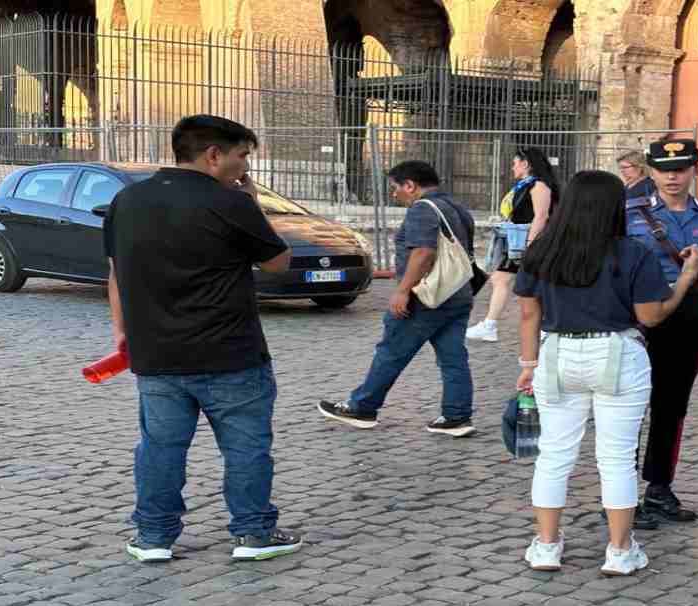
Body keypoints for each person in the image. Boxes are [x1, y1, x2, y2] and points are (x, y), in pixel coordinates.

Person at [105, 114, 301, 563]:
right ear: (214, 155)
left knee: (159, 448)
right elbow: (278, 264)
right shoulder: (231, 203)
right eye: (242, 156)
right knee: (247, 447)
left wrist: (122, 331)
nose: (245, 166)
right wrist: (253, 205)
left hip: (157, 354)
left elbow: (115, 272)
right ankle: (253, 534)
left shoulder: (127, 200)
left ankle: (153, 537)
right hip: (231, 355)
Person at [515, 171, 698, 575]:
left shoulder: (541, 250)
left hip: (556, 351)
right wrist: (686, 279)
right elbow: (651, 316)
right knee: (616, 458)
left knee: (553, 456)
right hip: (617, 350)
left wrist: (527, 365)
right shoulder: (632, 253)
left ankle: (547, 545)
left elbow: (529, 313)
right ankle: (620, 551)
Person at [624, 139, 698, 529]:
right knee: (629, 404)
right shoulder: (628, 213)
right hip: (641, 313)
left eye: (682, 168)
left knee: (673, 404)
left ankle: (659, 488)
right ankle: (622, 494)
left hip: (690, 313)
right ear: (651, 172)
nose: (672, 176)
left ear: (696, 171)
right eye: (663, 169)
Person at [318, 161, 477, 437]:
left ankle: (362, 407)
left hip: (426, 297)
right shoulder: (456, 207)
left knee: (391, 351)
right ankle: (456, 416)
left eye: (395, 188)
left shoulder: (421, 209)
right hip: (458, 294)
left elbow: (423, 253)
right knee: (453, 357)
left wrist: (403, 290)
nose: (394, 195)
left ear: (410, 185)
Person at [467, 147, 560, 343]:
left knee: (535, 283)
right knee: (502, 279)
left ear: (525, 164)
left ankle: (546, 325)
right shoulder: (524, 185)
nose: (512, 167)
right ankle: (491, 325)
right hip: (517, 242)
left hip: (528, 242)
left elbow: (541, 216)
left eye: (515, 163)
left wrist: (530, 244)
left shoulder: (539, 186)